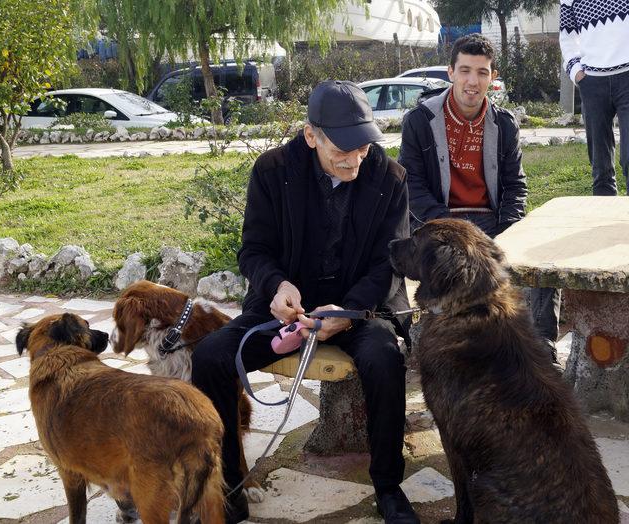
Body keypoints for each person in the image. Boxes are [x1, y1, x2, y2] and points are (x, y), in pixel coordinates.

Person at [192, 80, 419, 524]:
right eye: (344, 147)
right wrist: (276, 286)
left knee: (383, 357)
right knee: (211, 355)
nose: (355, 158)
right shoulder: (273, 171)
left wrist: (346, 311)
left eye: (364, 146)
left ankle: (388, 486)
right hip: (285, 306)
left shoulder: (389, 177)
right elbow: (253, 251)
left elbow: (386, 264)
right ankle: (231, 484)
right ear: (311, 135)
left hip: (360, 307)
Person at [399, 33, 561, 358]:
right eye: (465, 70)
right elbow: (411, 184)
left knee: (547, 262)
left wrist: (511, 230)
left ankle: (543, 352)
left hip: (491, 222)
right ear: (450, 72)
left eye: (482, 72)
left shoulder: (503, 124)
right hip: (440, 222)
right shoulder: (419, 121)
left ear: (493, 77)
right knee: (394, 249)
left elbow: (515, 185)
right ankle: (408, 337)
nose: (473, 81)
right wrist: (446, 228)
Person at [560, 0, 629, 196]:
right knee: (601, 167)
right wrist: (576, 73)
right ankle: (603, 222)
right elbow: (567, 37)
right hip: (592, 82)